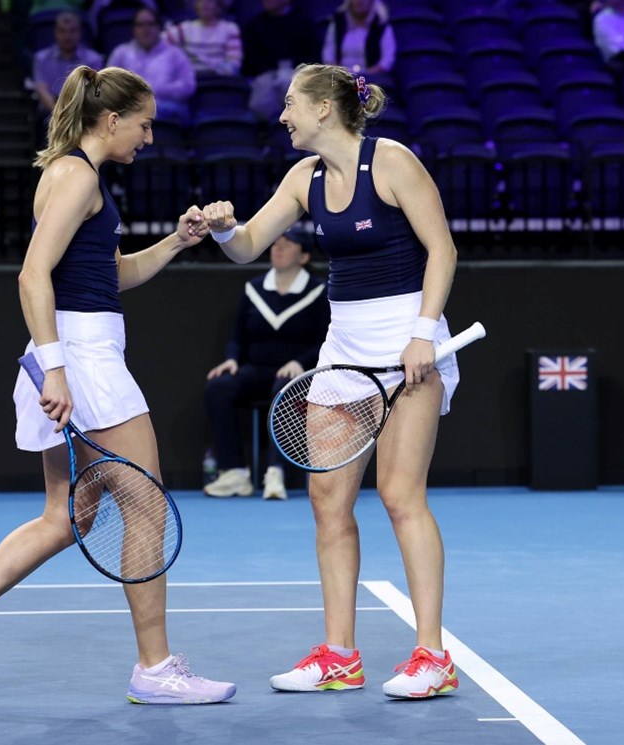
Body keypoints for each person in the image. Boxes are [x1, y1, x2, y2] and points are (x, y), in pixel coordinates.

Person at [0, 65, 235, 706]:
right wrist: (58, 371)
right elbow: (33, 278)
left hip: (71, 353)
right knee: (144, 504)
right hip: (79, 360)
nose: (147, 137)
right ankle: (155, 668)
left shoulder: (75, 176)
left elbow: (112, 276)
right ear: (111, 120)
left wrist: (177, 240)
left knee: (66, 518)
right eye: (143, 125)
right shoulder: (79, 176)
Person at [192, 64, 462, 699]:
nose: (281, 115)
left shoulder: (392, 161)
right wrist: (226, 227)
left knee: (400, 496)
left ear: (322, 110)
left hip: (408, 344)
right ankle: (340, 654)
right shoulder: (302, 178)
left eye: (290, 104)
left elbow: (442, 249)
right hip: (343, 350)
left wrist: (424, 332)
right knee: (326, 502)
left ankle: (433, 655)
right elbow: (250, 244)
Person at [203, 226, 329, 501]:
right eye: (275, 243)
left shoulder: (319, 292)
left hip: (297, 374)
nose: (277, 248)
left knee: (283, 387)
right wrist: (232, 360)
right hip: (257, 370)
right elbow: (238, 336)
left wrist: (300, 362)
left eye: (287, 244)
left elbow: (325, 339)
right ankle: (234, 472)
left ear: (304, 256)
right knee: (219, 387)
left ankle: (276, 472)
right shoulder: (255, 289)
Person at [107, 7, 196, 125]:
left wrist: (156, 90)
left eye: (150, 24)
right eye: (141, 25)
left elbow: (188, 86)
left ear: (159, 27)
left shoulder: (175, 53)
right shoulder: (121, 53)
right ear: (134, 29)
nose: (146, 29)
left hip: (167, 111)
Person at [241, 0, 319, 120]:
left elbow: (313, 56)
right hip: (265, 73)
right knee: (260, 103)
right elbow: (251, 59)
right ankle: (270, 132)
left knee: (289, 86)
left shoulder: (304, 21)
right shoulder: (255, 24)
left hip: (297, 71)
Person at [32, 11, 103, 117]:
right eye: (62, 31)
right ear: (55, 33)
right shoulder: (42, 58)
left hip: (82, 110)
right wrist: (60, 114)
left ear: (79, 33)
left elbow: (95, 91)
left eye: (72, 31)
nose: (67, 36)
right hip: (52, 111)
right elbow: (42, 90)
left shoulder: (93, 59)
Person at [321, 0, 397, 82]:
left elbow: (387, 60)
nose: (359, 1)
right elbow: (328, 55)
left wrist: (364, 76)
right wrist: (342, 75)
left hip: (372, 80)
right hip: (341, 79)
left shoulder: (381, 24)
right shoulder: (338, 22)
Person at [164, 0, 242, 77]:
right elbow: (158, 42)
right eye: (200, 1)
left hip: (220, 79)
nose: (204, 4)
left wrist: (216, 73)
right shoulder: (185, 28)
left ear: (218, 6)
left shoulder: (230, 29)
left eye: (209, 1)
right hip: (190, 79)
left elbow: (234, 61)